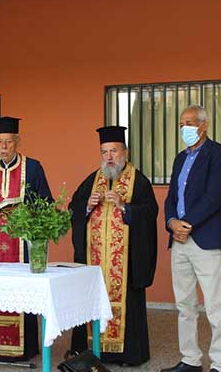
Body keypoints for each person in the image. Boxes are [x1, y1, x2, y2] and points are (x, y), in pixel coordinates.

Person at [69, 126, 158, 366]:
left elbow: (150, 213)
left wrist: (124, 206)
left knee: (126, 303)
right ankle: (89, 352)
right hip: (94, 262)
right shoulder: (92, 180)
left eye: (114, 151)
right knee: (91, 299)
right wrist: (87, 206)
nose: (109, 157)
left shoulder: (139, 181)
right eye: (104, 152)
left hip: (125, 264)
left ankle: (126, 354)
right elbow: (73, 208)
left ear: (125, 153)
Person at [0, 116, 52, 362]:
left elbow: (45, 203)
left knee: (20, 291)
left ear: (18, 141)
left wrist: (24, 210)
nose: (3, 147)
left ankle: (24, 348)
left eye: (8, 142)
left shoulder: (33, 168)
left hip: (21, 245)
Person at [161, 105, 221, 372]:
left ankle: (220, 365)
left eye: (189, 123)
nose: (184, 128)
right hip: (180, 241)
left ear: (204, 125)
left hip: (207, 241)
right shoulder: (180, 158)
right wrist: (172, 222)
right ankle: (190, 360)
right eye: (181, 124)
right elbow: (171, 197)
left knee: (215, 305)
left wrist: (186, 224)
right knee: (185, 305)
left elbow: (215, 196)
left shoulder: (219, 155)